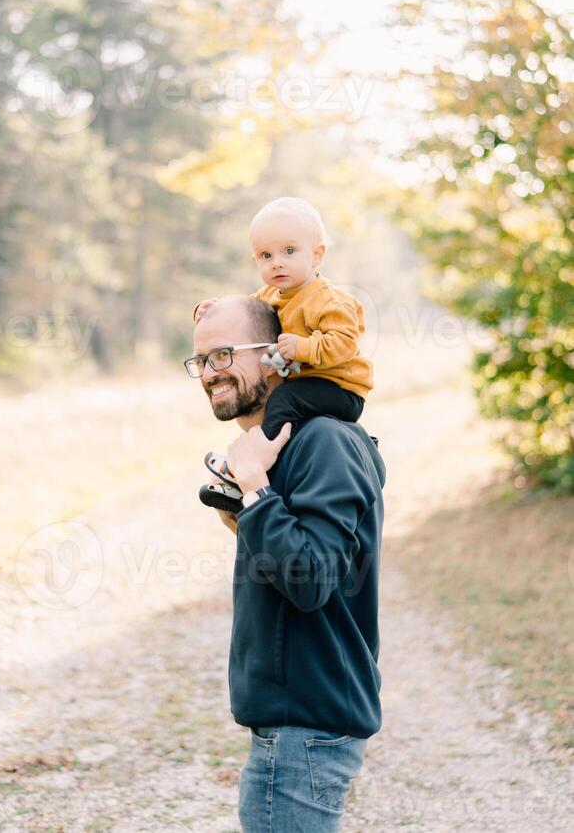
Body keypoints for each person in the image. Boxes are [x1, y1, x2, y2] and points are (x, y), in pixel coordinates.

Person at [189, 294, 385, 832]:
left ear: (278, 354)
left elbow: (310, 580)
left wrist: (254, 490)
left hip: (307, 726)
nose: (210, 372)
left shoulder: (324, 441)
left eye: (225, 354)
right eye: (202, 360)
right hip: (290, 723)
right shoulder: (285, 446)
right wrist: (242, 506)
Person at [191, 197, 374, 512]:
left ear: (317, 255)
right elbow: (246, 314)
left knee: (283, 401)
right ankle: (259, 479)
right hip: (306, 385)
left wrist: (303, 347)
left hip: (339, 388)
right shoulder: (270, 295)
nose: (276, 262)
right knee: (284, 403)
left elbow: (345, 343)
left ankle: (254, 470)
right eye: (265, 255)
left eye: (289, 251)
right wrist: (213, 308)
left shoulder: (330, 301)